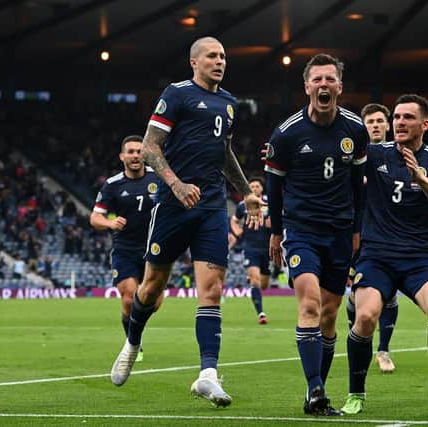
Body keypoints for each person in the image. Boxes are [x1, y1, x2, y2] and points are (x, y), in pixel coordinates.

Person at [109, 37, 264, 408]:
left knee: (212, 290)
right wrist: (176, 185)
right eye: (212, 55)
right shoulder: (176, 94)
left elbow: (224, 151)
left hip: (212, 207)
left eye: (224, 56)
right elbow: (149, 146)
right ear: (194, 61)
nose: (220, 61)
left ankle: (208, 374)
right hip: (173, 205)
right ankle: (133, 340)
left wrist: (244, 192)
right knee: (151, 287)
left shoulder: (228, 103)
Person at [341, 94, 428, 416]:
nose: (399, 122)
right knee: (366, 316)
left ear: (424, 124)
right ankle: (356, 393)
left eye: (407, 118)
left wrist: (420, 178)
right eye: (396, 117)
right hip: (376, 255)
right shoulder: (374, 153)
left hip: (418, 256)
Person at [264, 53, 367, 416]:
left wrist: (357, 231)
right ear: (307, 87)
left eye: (330, 79)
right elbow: (274, 189)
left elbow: (359, 185)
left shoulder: (356, 129)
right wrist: (277, 232)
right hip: (301, 230)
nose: (323, 85)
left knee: (330, 315)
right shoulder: (287, 134)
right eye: (317, 80)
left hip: (340, 232)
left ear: (339, 86)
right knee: (309, 304)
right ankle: (316, 391)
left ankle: (314, 396)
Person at [90, 135, 164, 362]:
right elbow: (95, 217)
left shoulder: (158, 177)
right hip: (125, 249)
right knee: (130, 298)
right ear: (122, 157)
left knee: (154, 302)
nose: (135, 155)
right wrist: (110, 223)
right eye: (130, 152)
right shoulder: (113, 185)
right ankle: (133, 343)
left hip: (155, 248)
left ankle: (136, 328)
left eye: (139, 151)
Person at [345, 103, 398, 374]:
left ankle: (384, 350)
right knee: (357, 298)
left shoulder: (400, 155)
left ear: (387, 125)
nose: (375, 125)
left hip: (389, 236)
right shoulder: (356, 157)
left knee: (390, 296)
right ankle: (357, 338)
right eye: (370, 122)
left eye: (380, 121)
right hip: (358, 234)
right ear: (363, 126)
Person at [230, 177, 271, 324]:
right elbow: (234, 220)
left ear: (261, 188)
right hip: (250, 246)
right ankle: (261, 313)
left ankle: (254, 278)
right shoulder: (243, 205)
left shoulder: (268, 202)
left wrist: (273, 224)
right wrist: (237, 231)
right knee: (255, 281)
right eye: (251, 186)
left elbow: (280, 218)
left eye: (256, 186)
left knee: (264, 285)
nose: (254, 188)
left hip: (267, 248)